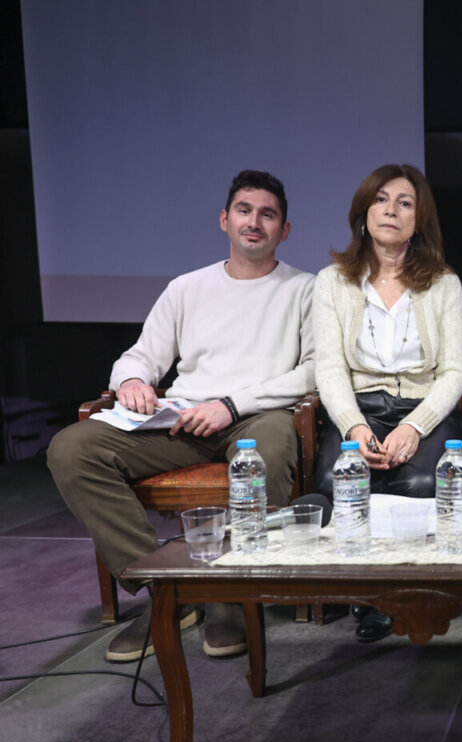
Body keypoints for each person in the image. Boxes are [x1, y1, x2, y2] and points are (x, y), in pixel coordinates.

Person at [48, 170, 315, 662]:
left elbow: (314, 371)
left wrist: (231, 405)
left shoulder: (305, 289)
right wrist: (132, 381)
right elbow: (141, 356)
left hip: (257, 416)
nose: (254, 222)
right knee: (72, 448)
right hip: (182, 418)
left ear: (285, 229)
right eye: (244, 211)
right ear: (224, 219)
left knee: (271, 449)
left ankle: (231, 591)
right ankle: (165, 590)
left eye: (268, 214)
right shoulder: (187, 287)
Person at [313, 163, 462, 644]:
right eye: (381, 200)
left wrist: (414, 427)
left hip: (424, 409)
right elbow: (330, 369)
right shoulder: (333, 281)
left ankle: (409, 592)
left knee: (419, 481)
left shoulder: (443, 283)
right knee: (337, 481)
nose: (391, 211)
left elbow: (454, 373)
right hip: (359, 409)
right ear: (364, 212)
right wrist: (354, 428)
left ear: (418, 220)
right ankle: (368, 595)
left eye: (405, 203)